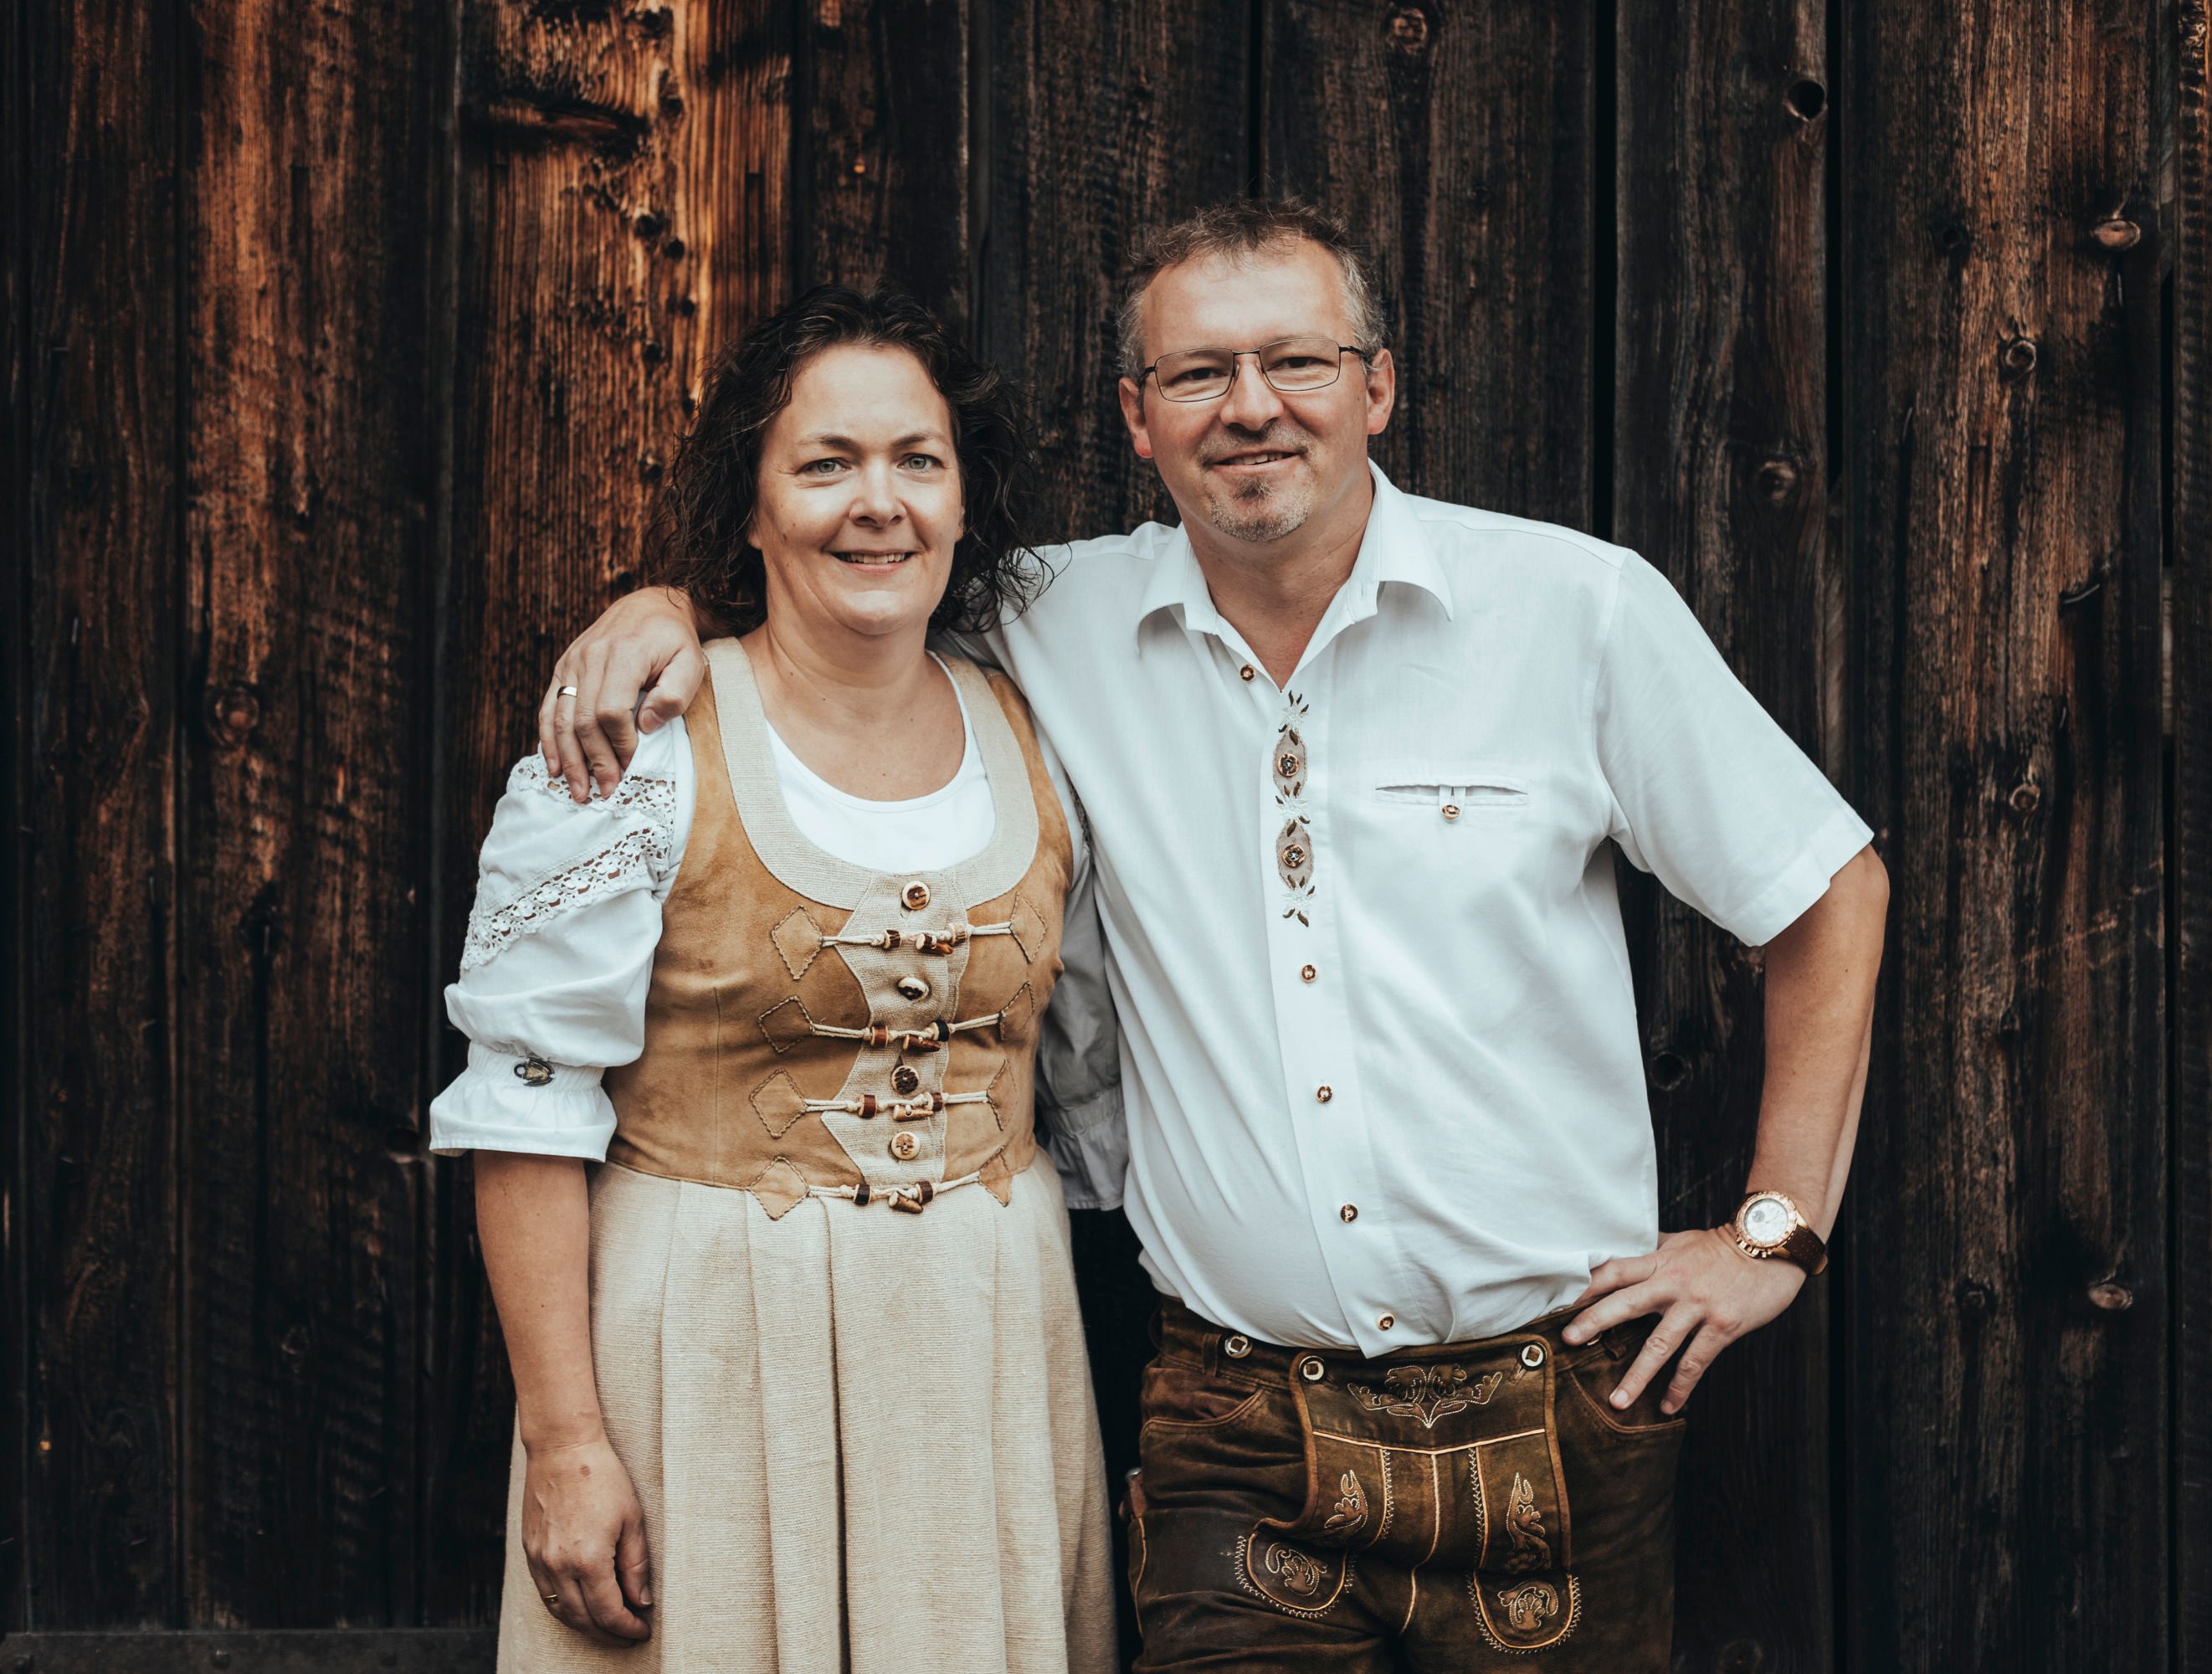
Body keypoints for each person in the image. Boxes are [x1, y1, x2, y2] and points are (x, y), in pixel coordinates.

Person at [536, 200, 1891, 1671]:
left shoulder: (1574, 612)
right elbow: (848, 587)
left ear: (1378, 387)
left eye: (1297, 362)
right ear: (1138, 416)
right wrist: (664, 604)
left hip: (1553, 1417)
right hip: (1235, 1433)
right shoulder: (1047, 621)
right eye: (1197, 374)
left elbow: (1827, 889)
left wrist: (1777, 1230)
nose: (1251, 408)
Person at [431, 284, 1121, 1671]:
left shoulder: (1048, 728)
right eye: (825, 465)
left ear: (965, 499)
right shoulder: (640, 755)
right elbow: (524, 1103)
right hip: (706, 1341)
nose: (880, 503)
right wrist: (564, 1439)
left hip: (985, 1340)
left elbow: (1097, 1083)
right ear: (749, 506)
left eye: (918, 462)